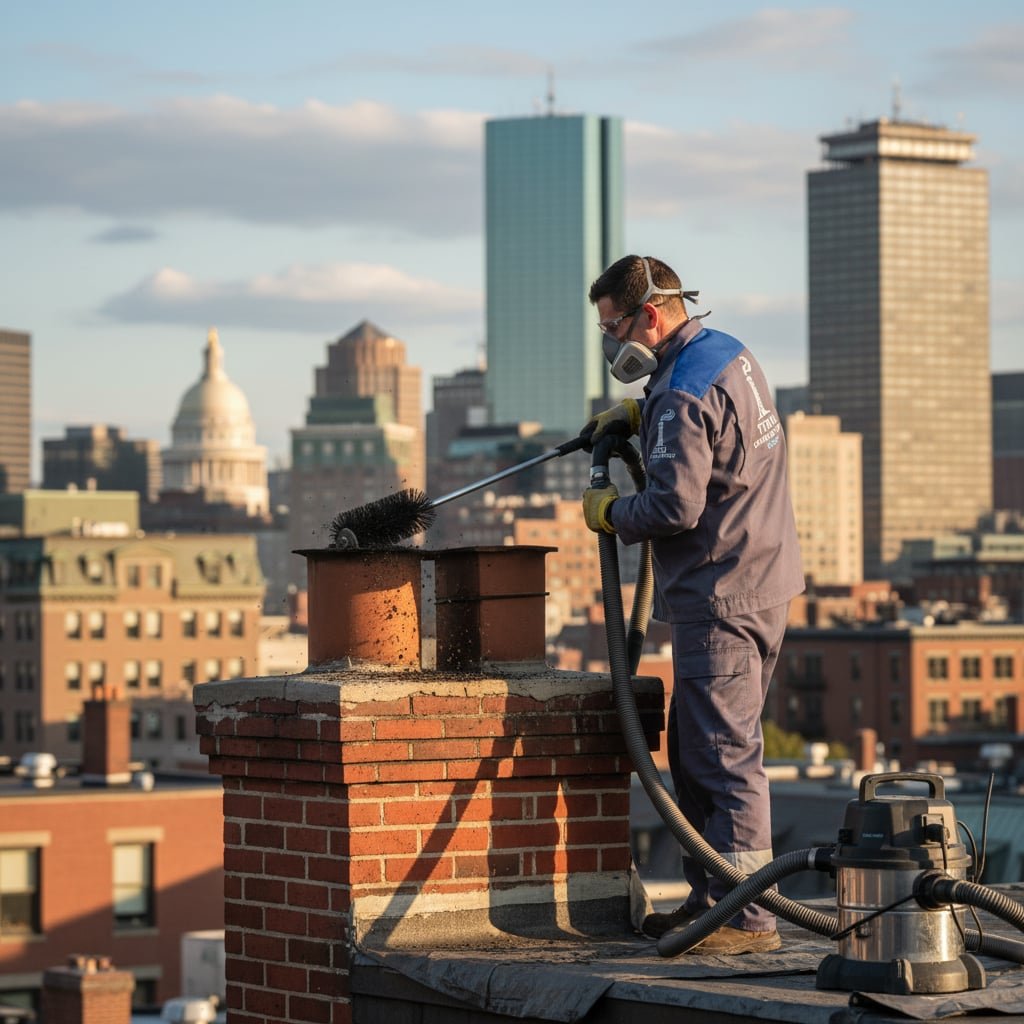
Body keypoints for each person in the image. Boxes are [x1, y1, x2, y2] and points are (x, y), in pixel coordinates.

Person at [580, 255, 804, 955]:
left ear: (649, 314)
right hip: (760, 578)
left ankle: (745, 918)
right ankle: (714, 899)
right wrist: (639, 410)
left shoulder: (681, 391)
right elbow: (718, 433)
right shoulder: (727, 354)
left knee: (718, 757)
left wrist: (613, 513)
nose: (613, 345)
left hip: (723, 593)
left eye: (613, 328)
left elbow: (675, 505)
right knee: (694, 748)